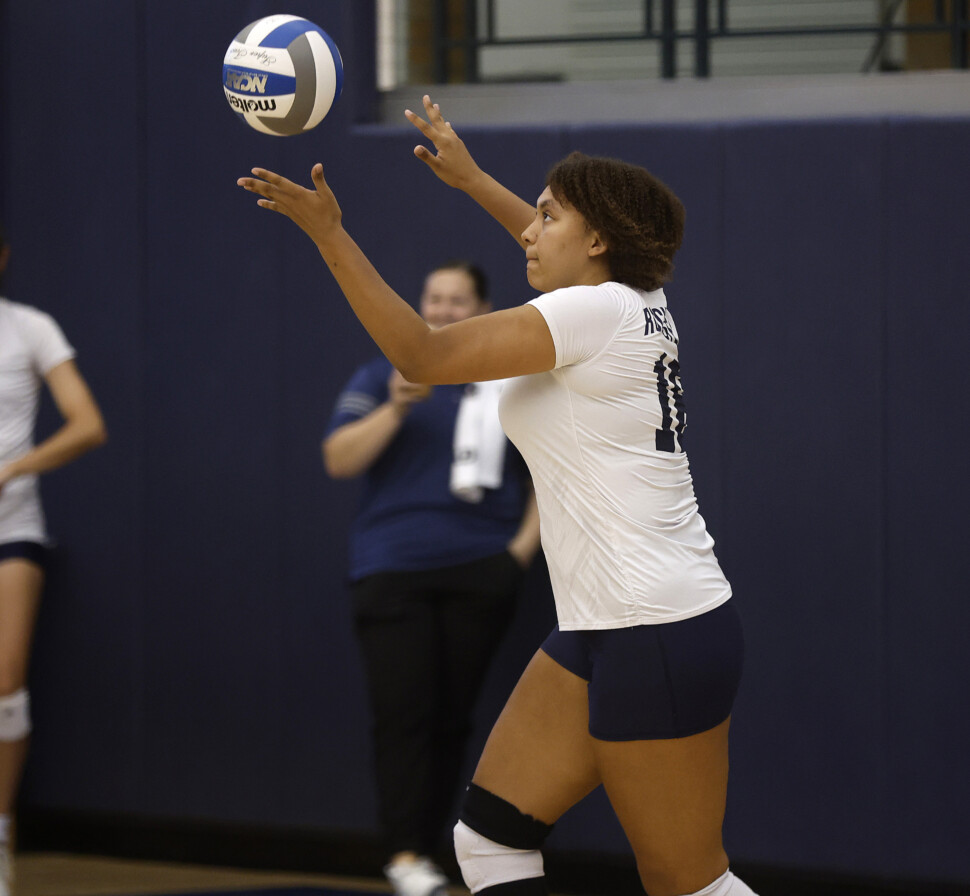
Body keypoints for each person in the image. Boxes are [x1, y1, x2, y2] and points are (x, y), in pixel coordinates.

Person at [237, 95, 758, 896]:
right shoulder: (635, 301)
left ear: (597, 240)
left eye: (548, 216)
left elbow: (421, 354)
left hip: (654, 628)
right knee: (488, 843)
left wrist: (329, 234)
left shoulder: (588, 312)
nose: (529, 230)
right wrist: (474, 180)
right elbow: (562, 249)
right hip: (610, 625)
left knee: (689, 884)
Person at [323, 259, 541, 896]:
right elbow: (338, 459)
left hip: (482, 571)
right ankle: (404, 855)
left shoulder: (511, 386)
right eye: (434, 298)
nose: (443, 310)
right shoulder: (382, 375)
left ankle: (428, 854)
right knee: (404, 715)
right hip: (393, 571)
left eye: (457, 300)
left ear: (483, 309)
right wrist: (394, 408)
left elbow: (550, 477)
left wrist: (516, 556)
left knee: (453, 718)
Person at [0, 225, 107, 896]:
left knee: (5, 681)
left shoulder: (30, 328)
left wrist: (11, 470)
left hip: (12, 530)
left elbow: (87, 424)